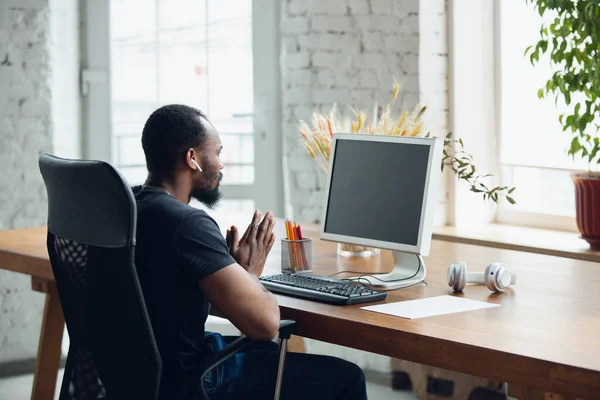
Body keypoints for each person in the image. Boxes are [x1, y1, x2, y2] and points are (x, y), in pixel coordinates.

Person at [133, 104, 368, 400]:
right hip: (188, 380)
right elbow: (265, 324)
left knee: (268, 355)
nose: (220, 164)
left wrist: (229, 274)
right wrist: (250, 275)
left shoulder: (127, 207)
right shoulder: (187, 224)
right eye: (216, 153)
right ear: (192, 159)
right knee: (347, 378)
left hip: (137, 372)